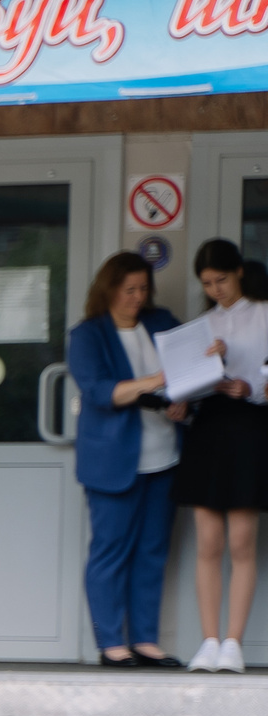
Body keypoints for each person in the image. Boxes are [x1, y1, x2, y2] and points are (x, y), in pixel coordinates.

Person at [66, 252, 187, 668]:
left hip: (164, 457)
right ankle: (110, 643)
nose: (137, 297)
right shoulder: (88, 335)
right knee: (110, 552)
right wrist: (154, 381)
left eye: (143, 289)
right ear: (109, 289)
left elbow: (186, 376)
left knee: (152, 552)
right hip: (112, 462)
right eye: (129, 289)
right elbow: (100, 392)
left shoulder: (162, 323)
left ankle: (145, 641)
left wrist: (182, 401)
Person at [175, 238, 268, 672]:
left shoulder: (264, 313)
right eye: (208, 283)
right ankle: (209, 641)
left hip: (250, 425)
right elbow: (186, 381)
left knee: (241, 541)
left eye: (222, 280)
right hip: (209, 426)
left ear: (240, 272)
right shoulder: (202, 325)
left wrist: (251, 388)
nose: (216, 290)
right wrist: (185, 395)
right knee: (208, 542)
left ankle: (234, 643)